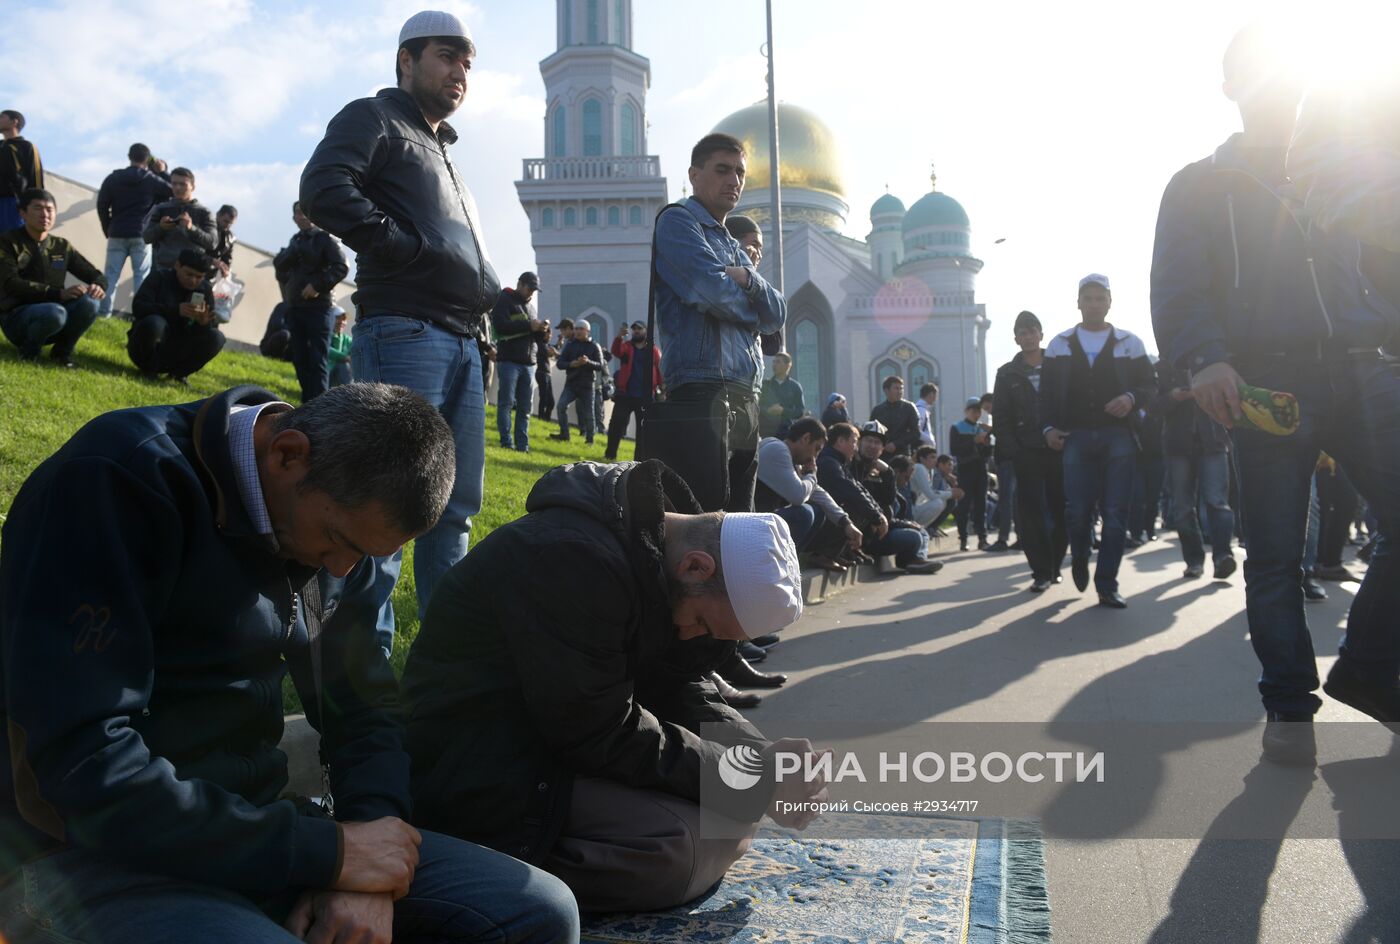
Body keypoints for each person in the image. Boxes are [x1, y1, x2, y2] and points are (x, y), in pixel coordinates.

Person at [0, 383, 580, 944]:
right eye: (336, 541)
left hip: (257, 832)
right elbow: (83, 768)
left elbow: (364, 709)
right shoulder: (119, 481)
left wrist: (372, 861)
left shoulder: (342, 533)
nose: (345, 569)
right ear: (287, 454)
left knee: (541, 912)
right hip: (92, 856)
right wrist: (328, 856)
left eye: (370, 556)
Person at [401, 460, 827, 912]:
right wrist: (748, 780)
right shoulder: (571, 558)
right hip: (477, 759)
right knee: (677, 851)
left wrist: (761, 759)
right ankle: (465, 870)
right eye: (702, 624)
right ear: (698, 567)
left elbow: (680, 683)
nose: (692, 636)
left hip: (551, 742)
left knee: (728, 816)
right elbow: (598, 729)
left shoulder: (656, 558)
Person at [1151, 25, 1400, 762]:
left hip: (1364, 369)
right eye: (1258, 75)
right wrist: (1204, 360)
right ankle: (1290, 710)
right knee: (1273, 554)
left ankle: (1365, 670)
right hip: (1266, 383)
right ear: (1231, 88)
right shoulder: (1201, 184)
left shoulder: (1348, 174)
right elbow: (1178, 285)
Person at [301, 10, 502, 642]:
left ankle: (450, 665)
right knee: (385, 506)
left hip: (465, 342)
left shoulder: (444, 149)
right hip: (407, 332)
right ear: (406, 60)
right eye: (447, 56)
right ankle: (363, 675)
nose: (460, 72)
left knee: (453, 512)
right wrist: (402, 247)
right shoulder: (374, 117)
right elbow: (324, 187)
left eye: (467, 62)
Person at [653, 133, 787, 512]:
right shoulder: (678, 222)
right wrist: (753, 311)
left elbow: (777, 314)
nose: (734, 181)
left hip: (745, 396)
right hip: (702, 392)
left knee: (739, 519)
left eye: (740, 173)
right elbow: (710, 293)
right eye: (722, 170)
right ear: (695, 175)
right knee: (705, 520)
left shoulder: (730, 243)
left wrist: (747, 279)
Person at [1043, 274, 1155, 608]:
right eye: (1087, 298)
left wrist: (1132, 398)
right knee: (1076, 510)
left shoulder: (1130, 343)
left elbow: (1151, 386)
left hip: (1118, 436)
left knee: (1116, 512)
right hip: (1074, 436)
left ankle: (1107, 583)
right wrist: (1048, 428)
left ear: (1109, 302)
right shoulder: (1059, 345)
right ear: (1078, 302)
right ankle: (1079, 555)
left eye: (1099, 298)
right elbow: (1046, 394)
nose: (1093, 304)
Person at [992, 310, 1067, 592]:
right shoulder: (1007, 373)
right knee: (1031, 513)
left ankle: (1056, 564)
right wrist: (1015, 450)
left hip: (1058, 448)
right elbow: (1000, 417)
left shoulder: (1059, 365)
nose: (1028, 337)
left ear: (1040, 334)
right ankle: (1041, 571)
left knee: (1060, 509)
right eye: (1022, 333)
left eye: (1031, 331)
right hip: (1026, 452)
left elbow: (1070, 402)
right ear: (1016, 338)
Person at [0, 188, 105, 367]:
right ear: (22, 213)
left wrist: (99, 285)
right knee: (56, 312)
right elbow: (11, 284)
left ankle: (62, 353)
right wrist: (58, 294)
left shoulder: (61, 246)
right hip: (17, 317)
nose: (45, 214)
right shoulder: (8, 242)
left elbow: (94, 274)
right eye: (38, 208)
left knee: (91, 302)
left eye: (49, 209)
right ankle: (29, 350)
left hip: (56, 314)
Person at [755, 416, 864, 571]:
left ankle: (785, 563)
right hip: (748, 523)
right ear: (806, 439)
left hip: (758, 520)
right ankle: (777, 566)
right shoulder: (777, 450)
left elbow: (817, 493)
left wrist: (846, 523)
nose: (815, 457)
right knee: (804, 513)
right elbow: (798, 496)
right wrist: (811, 474)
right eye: (817, 448)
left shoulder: (789, 457)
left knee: (819, 511)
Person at [1158, 365, 1235, 580]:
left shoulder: (1215, 362)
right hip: (1177, 447)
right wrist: (1173, 397)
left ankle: (1223, 557)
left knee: (1218, 503)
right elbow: (1153, 407)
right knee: (1182, 508)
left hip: (1214, 443)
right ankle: (1193, 561)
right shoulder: (1164, 369)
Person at [273, 202, 351, 402]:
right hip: (296, 306)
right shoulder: (296, 240)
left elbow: (341, 266)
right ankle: (307, 402)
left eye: (306, 212)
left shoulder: (325, 238)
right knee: (299, 357)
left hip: (319, 308)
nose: (302, 216)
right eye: (298, 213)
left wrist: (317, 286)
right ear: (294, 218)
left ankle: (318, 405)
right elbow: (281, 267)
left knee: (318, 359)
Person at [128, 248, 226, 383]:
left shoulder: (205, 289)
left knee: (217, 337)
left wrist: (203, 323)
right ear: (177, 266)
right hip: (149, 344)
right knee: (155, 323)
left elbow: (207, 331)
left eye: (199, 277)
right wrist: (175, 310)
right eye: (189, 274)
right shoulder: (159, 277)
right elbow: (139, 307)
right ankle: (148, 368)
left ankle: (179, 373)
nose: (193, 281)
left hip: (179, 348)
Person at [96, 142, 171, 317]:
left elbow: (102, 205)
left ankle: (103, 313)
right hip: (141, 234)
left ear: (129, 156)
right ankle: (140, 316)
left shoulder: (112, 178)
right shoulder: (151, 180)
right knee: (141, 277)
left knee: (110, 276)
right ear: (148, 159)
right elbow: (172, 191)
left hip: (117, 232)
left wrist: (108, 228)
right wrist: (162, 172)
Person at [491, 271, 546, 452]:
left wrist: (543, 333)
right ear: (520, 284)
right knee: (506, 403)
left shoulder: (531, 308)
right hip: (509, 361)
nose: (531, 293)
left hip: (528, 363)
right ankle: (506, 442)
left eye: (533, 290)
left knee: (525, 407)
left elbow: (534, 337)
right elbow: (500, 326)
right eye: (529, 288)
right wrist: (529, 326)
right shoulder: (504, 299)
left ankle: (523, 446)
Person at [605, 320, 664, 460]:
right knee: (616, 425)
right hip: (625, 394)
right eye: (634, 329)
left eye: (639, 329)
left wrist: (662, 387)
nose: (636, 331)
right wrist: (619, 337)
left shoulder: (653, 350)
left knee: (643, 431)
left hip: (646, 396)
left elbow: (659, 369)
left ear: (645, 331)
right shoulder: (626, 346)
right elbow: (615, 351)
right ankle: (610, 455)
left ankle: (639, 460)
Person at [141, 167, 219, 271]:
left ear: (193, 187)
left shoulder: (205, 212)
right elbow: (146, 237)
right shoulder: (160, 209)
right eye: (174, 184)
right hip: (164, 269)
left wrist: (191, 228)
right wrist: (161, 227)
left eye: (183, 184)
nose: (177, 188)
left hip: (192, 271)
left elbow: (212, 243)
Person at [549, 318, 604, 442]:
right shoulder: (570, 345)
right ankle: (564, 434)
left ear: (588, 331)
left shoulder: (594, 346)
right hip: (571, 384)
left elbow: (600, 365)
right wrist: (571, 364)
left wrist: (587, 362)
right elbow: (560, 363)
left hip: (587, 385)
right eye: (576, 329)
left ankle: (590, 440)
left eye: (581, 329)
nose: (578, 331)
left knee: (589, 414)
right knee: (561, 406)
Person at [948, 397, 992, 551]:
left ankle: (982, 538)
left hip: (981, 470)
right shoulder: (957, 427)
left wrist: (986, 443)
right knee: (964, 506)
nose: (976, 413)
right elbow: (955, 450)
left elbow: (988, 453)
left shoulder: (983, 429)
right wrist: (974, 441)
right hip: (965, 470)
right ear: (966, 411)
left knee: (982, 505)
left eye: (978, 410)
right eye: (973, 410)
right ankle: (963, 539)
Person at [0, 110, 42, 232]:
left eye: (2, 117)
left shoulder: (26, 146)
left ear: (14, 122)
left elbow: (36, 177)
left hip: (13, 203)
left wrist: (37, 206)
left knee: (12, 243)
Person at [910, 446, 961, 530]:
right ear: (922, 459)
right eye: (932, 457)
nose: (935, 460)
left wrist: (950, 491)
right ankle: (920, 528)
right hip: (910, 509)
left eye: (935, 457)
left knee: (941, 501)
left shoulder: (929, 470)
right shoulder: (919, 468)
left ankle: (923, 529)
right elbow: (931, 494)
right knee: (938, 503)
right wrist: (951, 493)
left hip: (916, 506)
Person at [869, 375, 921, 457]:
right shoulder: (878, 410)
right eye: (896, 388)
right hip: (882, 454)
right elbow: (872, 432)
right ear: (886, 390)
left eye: (901, 388)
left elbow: (915, 433)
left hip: (902, 454)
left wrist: (896, 444)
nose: (900, 391)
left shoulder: (909, 408)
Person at [758, 351, 805, 438]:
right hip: (765, 431)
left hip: (786, 432)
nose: (774, 365)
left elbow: (800, 411)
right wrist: (768, 410)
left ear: (788, 365)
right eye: (774, 362)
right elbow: (756, 405)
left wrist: (783, 411)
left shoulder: (795, 387)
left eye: (778, 362)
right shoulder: (765, 385)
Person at [534, 318, 557, 420]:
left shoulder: (545, 345)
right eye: (549, 334)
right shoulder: (540, 344)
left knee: (550, 402)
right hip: (542, 373)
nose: (550, 336)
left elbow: (553, 349)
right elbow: (549, 352)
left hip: (547, 374)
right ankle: (541, 418)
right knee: (544, 398)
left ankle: (545, 419)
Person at [328, 307, 353, 387]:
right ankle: (351, 394)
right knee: (343, 365)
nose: (341, 322)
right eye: (338, 318)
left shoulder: (348, 339)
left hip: (340, 380)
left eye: (344, 319)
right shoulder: (325, 337)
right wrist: (346, 357)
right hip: (326, 377)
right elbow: (327, 350)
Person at [213, 204, 238, 277]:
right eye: (226, 221)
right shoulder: (206, 227)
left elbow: (227, 259)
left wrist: (226, 270)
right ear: (218, 215)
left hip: (211, 275)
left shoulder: (231, 238)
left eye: (231, 223)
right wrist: (211, 261)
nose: (228, 225)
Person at [915, 382, 939, 449]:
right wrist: (930, 441)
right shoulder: (921, 410)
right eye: (936, 395)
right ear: (931, 394)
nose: (936, 399)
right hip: (922, 448)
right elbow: (917, 431)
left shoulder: (921, 408)